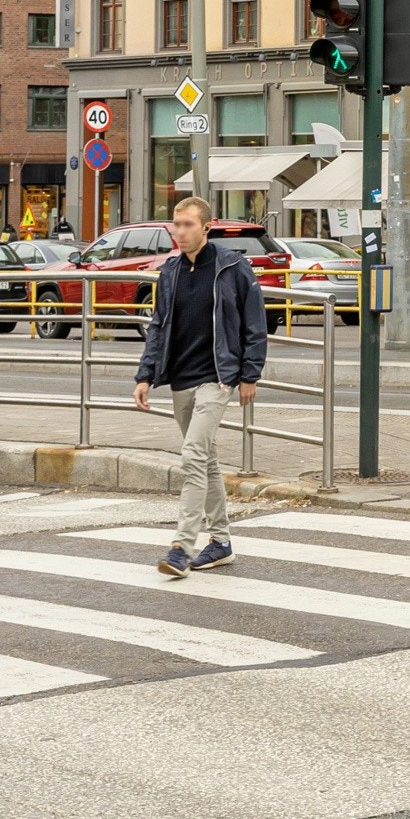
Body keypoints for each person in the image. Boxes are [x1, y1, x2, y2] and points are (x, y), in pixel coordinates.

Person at [134, 196, 266, 577]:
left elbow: (254, 323)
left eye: (188, 224)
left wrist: (249, 374)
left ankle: (181, 546)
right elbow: (158, 326)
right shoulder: (171, 271)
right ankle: (221, 542)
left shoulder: (232, 266)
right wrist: (145, 375)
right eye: (176, 224)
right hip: (181, 379)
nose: (180, 231)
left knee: (192, 453)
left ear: (206, 227)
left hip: (219, 379)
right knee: (205, 462)